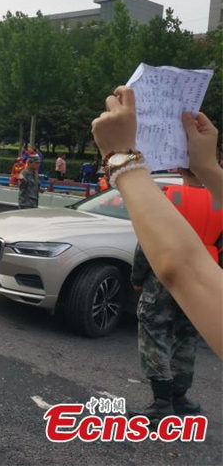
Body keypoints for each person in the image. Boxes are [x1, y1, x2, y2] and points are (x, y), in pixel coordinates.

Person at [91, 86, 223, 359]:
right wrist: (207, 166)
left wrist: (120, 158)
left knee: (156, 342)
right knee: (185, 343)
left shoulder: (171, 196)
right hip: (208, 273)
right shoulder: (213, 203)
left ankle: (161, 387)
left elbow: (176, 264)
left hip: (181, 279)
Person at [129, 167, 221, 422]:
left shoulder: (168, 199)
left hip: (164, 277)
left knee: (153, 333)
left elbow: (146, 243)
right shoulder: (219, 202)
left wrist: (137, 278)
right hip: (201, 279)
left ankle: (161, 403)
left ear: (180, 168)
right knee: (186, 336)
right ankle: (180, 398)